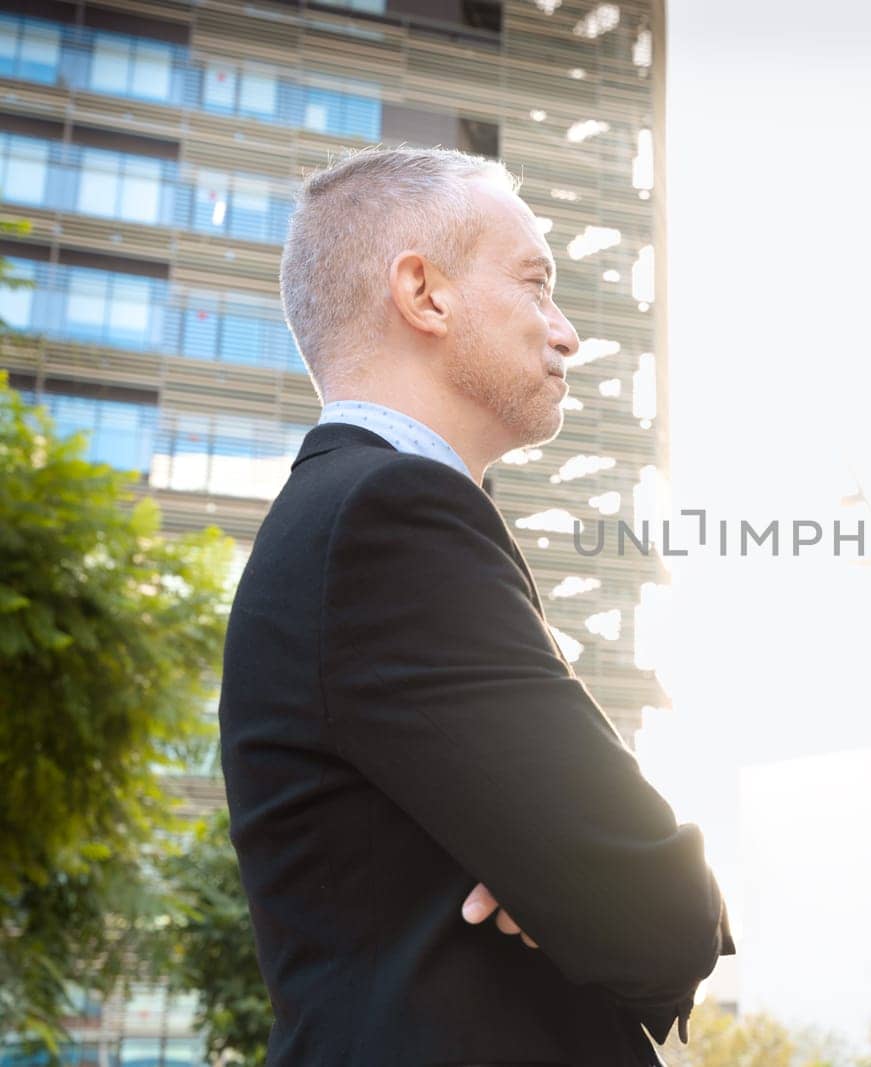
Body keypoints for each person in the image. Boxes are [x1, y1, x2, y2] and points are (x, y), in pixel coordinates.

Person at [219, 146, 731, 1066]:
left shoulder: (353, 516)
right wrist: (597, 892)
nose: (566, 332)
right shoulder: (391, 516)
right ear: (424, 293)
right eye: (536, 284)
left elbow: (611, 873)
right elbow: (657, 908)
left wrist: (570, 884)